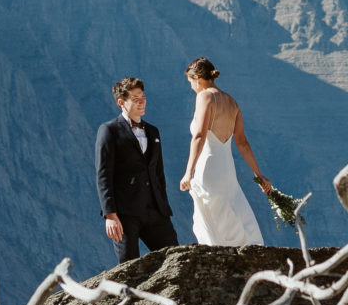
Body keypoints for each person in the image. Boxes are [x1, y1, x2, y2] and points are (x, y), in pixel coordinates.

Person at [179, 57, 267, 248]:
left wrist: (188, 171)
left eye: (191, 83)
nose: (192, 87)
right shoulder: (232, 102)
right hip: (227, 168)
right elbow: (242, 143)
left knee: (209, 214)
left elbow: (200, 135)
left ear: (198, 79)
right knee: (229, 208)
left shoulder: (204, 96)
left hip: (208, 167)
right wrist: (259, 175)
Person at [94, 76, 178, 265]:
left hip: (155, 211)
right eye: (135, 98)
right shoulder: (109, 130)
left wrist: (163, 206)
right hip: (125, 214)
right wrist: (110, 215)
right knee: (129, 267)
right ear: (121, 102)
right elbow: (103, 175)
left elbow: (158, 172)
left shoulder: (153, 132)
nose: (142, 102)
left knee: (175, 259)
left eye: (143, 97)